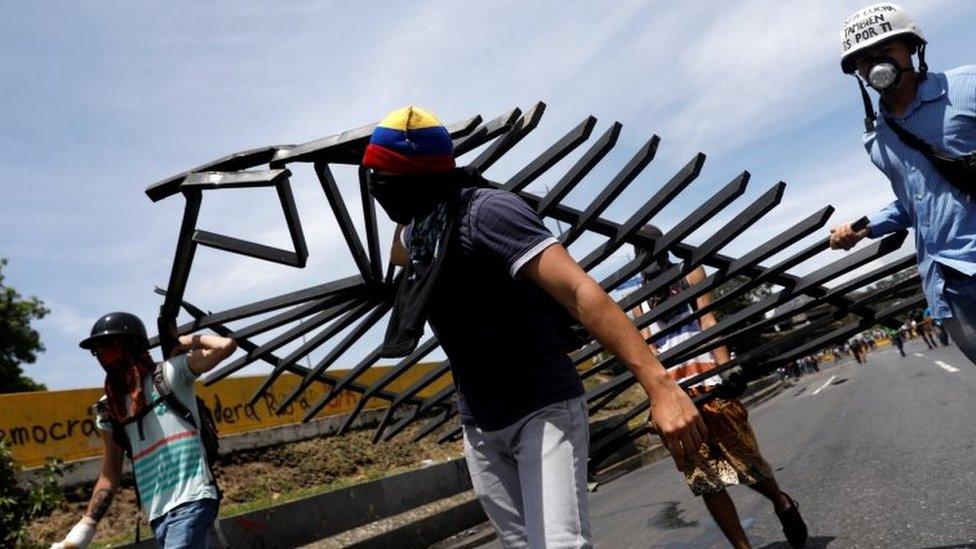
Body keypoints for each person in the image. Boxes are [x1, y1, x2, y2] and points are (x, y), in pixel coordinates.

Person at [363, 106, 706, 548]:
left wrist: (660, 387)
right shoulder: (423, 231)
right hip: (481, 423)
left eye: (384, 175)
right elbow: (398, 254)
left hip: (542, 408)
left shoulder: (488, 213)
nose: (376, 186)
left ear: (422, 177)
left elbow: (580, 291)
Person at [630, 237, 807, 549]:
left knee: (746, 459)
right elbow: (647, 351)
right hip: (675, 393)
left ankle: (781, 502)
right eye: (641, 253)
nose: (649, 258)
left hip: (709, 379)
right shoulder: (637, 301)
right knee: (705, 481)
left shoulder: (690, 275)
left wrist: (725, 367)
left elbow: (707, 319)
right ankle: (742, 546)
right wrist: (656, 399)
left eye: (651, 249)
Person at [828, 3, 976, 365]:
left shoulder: (967, 86)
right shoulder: (879, 138)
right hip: (948, 284)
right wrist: (864, 227)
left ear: (911, 48)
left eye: (885, 51)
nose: (876, 65)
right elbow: (917, 202)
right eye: (864, 60)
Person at [53, 312, 236, 549]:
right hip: (157, 514)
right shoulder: (110, 408)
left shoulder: (169, 374)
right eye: (97, 350)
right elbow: (109, 475)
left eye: (108, 346)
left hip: (192, 498)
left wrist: (185, 341)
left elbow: (225, 345)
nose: (102, 356)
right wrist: (83, 530)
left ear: (131, 345)